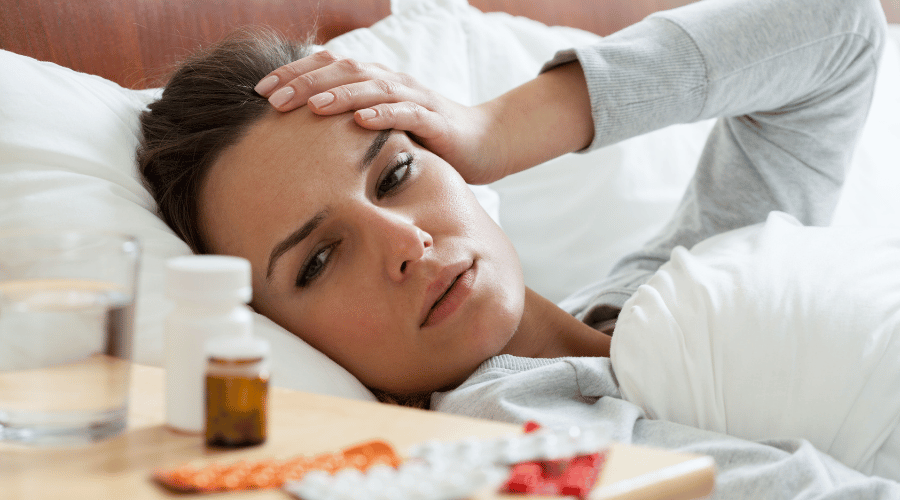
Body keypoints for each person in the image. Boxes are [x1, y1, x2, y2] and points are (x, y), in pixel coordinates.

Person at [140, 0, 900, 495]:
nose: (405, 240)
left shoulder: (666, 291)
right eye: (318, 260)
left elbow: (839, 31)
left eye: (396, 174)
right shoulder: (517, 440)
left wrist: (500, 127)